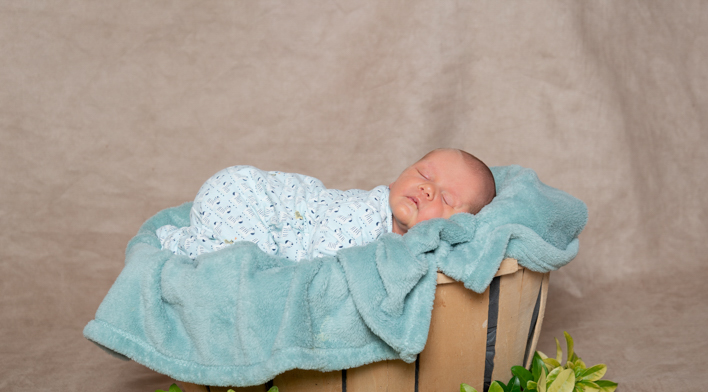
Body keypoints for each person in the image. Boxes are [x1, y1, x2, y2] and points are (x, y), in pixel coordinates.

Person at [156, 148, 496, 262]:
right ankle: (180, 244)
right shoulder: (361, 216)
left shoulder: (405, 248)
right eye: (423, 174)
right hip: (245, 196)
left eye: (446, 197)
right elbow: (321, 272)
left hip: (256, 214)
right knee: (242, 269)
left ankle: (191, 242)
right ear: (395, 180)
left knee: (237, 258)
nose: (426, 188)